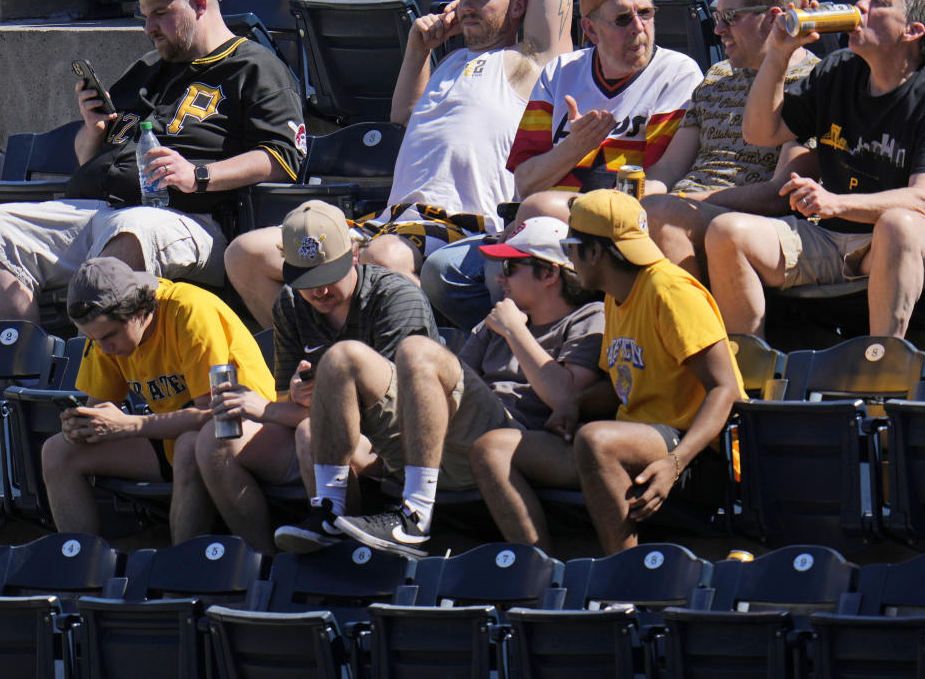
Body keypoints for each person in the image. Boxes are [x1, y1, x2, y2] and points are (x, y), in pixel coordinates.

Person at [223, 0, 574, 329]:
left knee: (384, 259)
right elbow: (403, 115)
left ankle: (400, 367)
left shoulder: (531, 64)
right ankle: (315, 361)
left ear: (520, 5)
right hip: (393, 220)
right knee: (247, 253)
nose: (468, 5)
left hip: (463, 223)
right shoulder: (451, 61)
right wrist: (419, 49)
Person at [0, 0, 305, 324]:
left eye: (160, 13)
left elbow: (283, 158)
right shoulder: (149, 67)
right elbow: (87, 158)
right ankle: (24, 369)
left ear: (200, 4)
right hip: (108, 208)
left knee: (131, 230)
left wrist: (198, 176)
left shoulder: (254, 66)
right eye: (144, 16)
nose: (149, 28)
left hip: (193, 218)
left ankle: (92, 370)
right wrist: (92, 132)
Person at [274, 216, 605, 557]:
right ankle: (328, 510)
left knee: (417, 350)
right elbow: (458, 383)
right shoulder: (495, 323)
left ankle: (414, 514)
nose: (500, 277)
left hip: (518, 439)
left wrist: (516, 332)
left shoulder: (588, 317)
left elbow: (566, 397)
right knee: (343, 357)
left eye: (510, 266)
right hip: (451, 441)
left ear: (549, 273)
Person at [705, 0, 925, 338]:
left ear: (913, 31)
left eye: (880, 3)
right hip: (830, 238)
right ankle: (747, 368)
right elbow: (760, 132)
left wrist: (835, 203)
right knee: (725, 231)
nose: (861, 5)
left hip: (907, 245)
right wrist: (780, 54)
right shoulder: (839, 70)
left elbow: (923, 203)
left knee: (899, 223)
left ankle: (882, 362)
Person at [471, 190, 744, 555]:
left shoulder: (670, 291)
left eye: (571, 247)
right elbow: (625, 384)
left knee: (596, 439)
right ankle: (543, 575)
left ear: (595, 252)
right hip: (635, 437)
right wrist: (577, 403)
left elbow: (725, 389)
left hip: (696, 453)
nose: (568, 258)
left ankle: (623, 572)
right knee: (492, 448)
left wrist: (675, 463)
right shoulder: (615, 297)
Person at [196, 200, 438, 553]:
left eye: (328, 275)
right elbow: (289, 404)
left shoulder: (395, 297)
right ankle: (264, 567)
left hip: (399, 444)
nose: (319, 291)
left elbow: (403, 413)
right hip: (331, 434)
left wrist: (275, 410)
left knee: (314, 431)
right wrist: (295, 397)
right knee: (213, 442)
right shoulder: (293, 303)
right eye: (306, 279)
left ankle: (346, 549)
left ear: (354, 255)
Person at [40, 256, 276, 543]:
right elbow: (98, 409)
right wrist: (82, 427)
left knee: (191, 444)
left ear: (140, 309)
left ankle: (180, 577)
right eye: (94, 339)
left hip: (248, 431)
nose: (104, 348)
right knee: (57, 451)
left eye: (109, 336)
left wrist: (131, 425)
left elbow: (214, 416)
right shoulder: (106, 334)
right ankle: (81, 572)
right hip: (171, 439)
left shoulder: (189, 311)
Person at [641, 0, 821, 280]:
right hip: (682, 205)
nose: (718, 29)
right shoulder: (717, 75)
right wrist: (637, 197)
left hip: (744, 223)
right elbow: (669, 168)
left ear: (774, 17)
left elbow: (779, 194)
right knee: (563, 209)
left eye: (729, 18)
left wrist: (678, 202)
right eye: (715, 16)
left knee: (658, 214)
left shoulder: (815, 81)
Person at [506, 0, 703, 198]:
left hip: (626, 219)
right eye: (623, 19)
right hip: (548, 219)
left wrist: (591, 212)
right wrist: (576, 146)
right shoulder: (559, 72)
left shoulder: (677, 73)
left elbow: (660, 178)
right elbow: (525, 183)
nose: (639, 27)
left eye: (645, 13)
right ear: (591, 30)